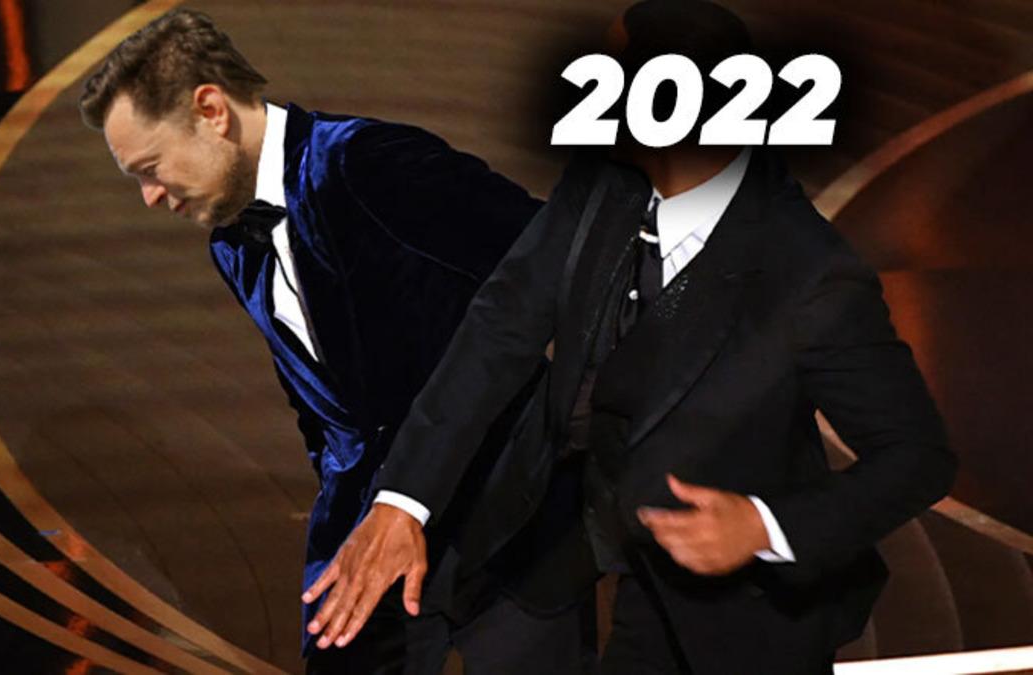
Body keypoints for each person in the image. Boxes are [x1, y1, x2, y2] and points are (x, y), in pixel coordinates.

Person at [304, 2, 957, 673]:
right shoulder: (597, 188)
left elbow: (917, 457)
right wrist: (402, 502)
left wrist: (765, 525)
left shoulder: (809, 273)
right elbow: (498, 329)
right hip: (567, 520)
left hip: (726, 607)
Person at [78, 8, 597, 674]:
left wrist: (576, 427)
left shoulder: (366, 164)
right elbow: (321, 412)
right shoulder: (232, 245)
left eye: (149, 167)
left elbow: (557, 260)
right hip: (365, 544)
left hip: (512, 525)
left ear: (211, 110)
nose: (149, 196)